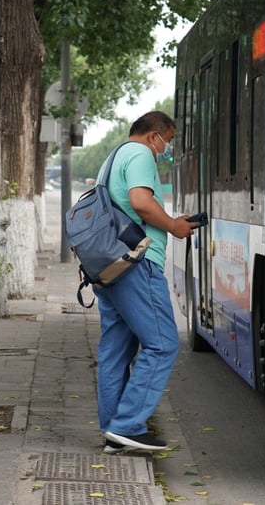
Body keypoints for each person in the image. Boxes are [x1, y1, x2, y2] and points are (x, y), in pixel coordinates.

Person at [96, 110, 196, 454]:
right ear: (155, 135)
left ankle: (113, 432)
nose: (166, 148)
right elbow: (140, 202)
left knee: (115, 350)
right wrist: (173, 226)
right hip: (138, 264)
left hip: (111, 267)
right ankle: (128, 426)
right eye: (167, 141)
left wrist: (169, 220)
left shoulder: (114, 158)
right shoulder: (140, 154)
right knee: (163, 343)